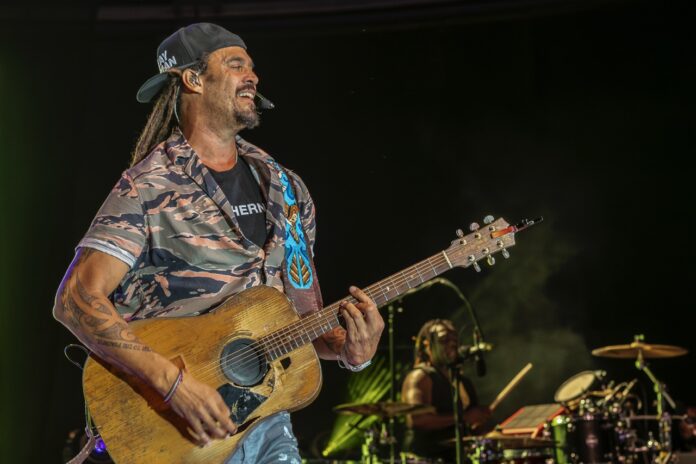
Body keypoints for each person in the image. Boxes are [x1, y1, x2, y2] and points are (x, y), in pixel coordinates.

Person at [52, 22, 384, 464]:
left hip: (265, 423)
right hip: (173, 426)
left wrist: (348, 350)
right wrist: (174, 384)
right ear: (192, 79)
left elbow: (302, 323)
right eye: (235, 65)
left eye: (252, 67)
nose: (253, 76)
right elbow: (75, 299)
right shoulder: (149, 186)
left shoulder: (287, 189)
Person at [401, 319, 490, 462]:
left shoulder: (463, 382)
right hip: (426, 458)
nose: (452, 343)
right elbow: (418, 420)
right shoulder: (420, 377)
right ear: (427, 345)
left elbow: (473, 424)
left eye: (455, 339)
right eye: (444, 339)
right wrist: (464, 417)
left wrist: (480, 422)